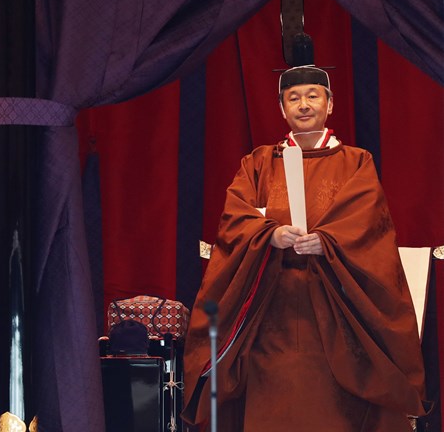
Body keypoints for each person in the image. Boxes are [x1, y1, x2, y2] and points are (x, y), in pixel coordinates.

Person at [182, 65, 428, 431]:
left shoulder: (356, 162)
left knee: (334, 404)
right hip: (272, 306)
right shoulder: (259, 163)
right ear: (282, 109)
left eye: (313, 95)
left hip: (334, 306)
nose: (304, 105)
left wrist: (328, 242)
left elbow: (369, 225)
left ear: (330, 104)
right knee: (272, 403)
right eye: (293, 98)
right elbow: (235, 219)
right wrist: (269, 234)